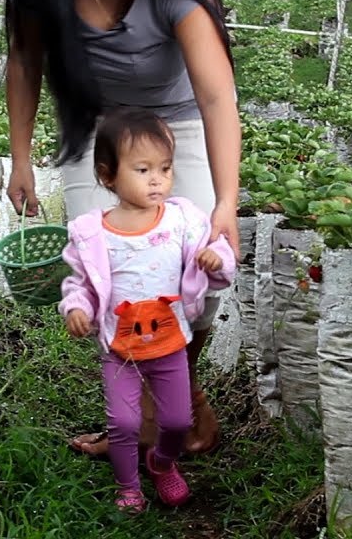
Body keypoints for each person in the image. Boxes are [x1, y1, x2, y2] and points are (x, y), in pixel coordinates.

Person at [2, 0, 242, 458]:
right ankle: (162, 418)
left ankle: (173, 401)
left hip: (180, 124)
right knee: (109, 271)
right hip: (98, 129)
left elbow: (217, 98)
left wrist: (226, 204)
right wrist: (21, 158)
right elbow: (25, 64)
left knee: (196, 268)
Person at [59, 107, 236, 512]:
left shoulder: (182, 220)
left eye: (165, 168)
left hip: (170, 342)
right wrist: (76, 307)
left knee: (176, 422)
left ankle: (162, 463)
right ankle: (128, 487)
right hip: (119, 348)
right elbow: (79, 283)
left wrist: (214, 258)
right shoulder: (92, 233)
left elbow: (218, 256)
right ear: (108, 176)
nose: (157, 179)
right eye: (142, 169)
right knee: (124, 423)